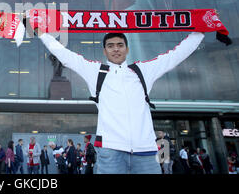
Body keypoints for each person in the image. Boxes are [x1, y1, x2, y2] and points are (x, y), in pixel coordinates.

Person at [35, 26, 204, 174]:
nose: (116, 49)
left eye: (120, 45)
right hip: (111, 152)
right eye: (110, 46)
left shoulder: (142, 71)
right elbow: (65, 55)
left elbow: (175, 56)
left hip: (145, 152)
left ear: (127, 49)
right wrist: (39, 31)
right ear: (105, 51)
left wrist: (201, 30)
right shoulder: (95, 71)